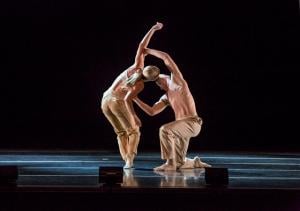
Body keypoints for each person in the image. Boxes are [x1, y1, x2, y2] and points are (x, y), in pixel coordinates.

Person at [133, 47, 211, 171]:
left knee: (165, 130)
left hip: (192, 123)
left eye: (158, 83)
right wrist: (134, 98)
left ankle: (169, 163)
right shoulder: (167, 96)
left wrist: (146, 50)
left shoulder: (178, 83)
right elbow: (152, 111)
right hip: (181, 128)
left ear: (162, 79)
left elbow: (166, 57)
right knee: (180, 164)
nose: (159, 87)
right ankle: (194, 162)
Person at [101, 22, 163, 169]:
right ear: (152, 80)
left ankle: (126, 160)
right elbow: (128, 100)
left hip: (105, 99)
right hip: (117, 101)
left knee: (121, 132)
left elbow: (142, 45)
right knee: (134, 131)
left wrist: (153, 28)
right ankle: (129, 161)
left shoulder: (137, 66)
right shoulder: (140, 85)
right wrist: (134, 116)